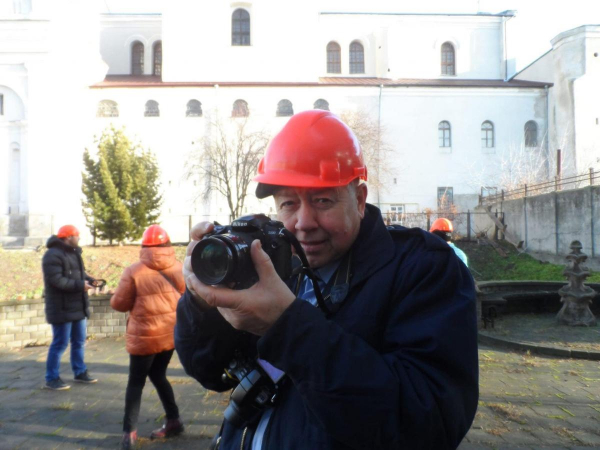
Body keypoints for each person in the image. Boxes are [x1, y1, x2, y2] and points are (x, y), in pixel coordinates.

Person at [175, 110, 479, 449]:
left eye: (322, 200)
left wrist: (286, 326)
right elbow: (209, 371)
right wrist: (202, 304)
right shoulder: (273, 265)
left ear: (360, 199)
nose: (303, 222)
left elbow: (428, 422)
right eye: (288, 203)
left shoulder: (422, 268)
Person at [110, 225, 186, 450]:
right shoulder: (179, 268)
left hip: (144, 337)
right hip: (170, 334)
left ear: (144, 245)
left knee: (135, 383)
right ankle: (174, 420)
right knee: (158, 374)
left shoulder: (134, 271)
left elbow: (119, 304)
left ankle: (129, 433)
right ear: (167, 244)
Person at [42, 224, 98, 390]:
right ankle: (51, 378)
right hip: (61, 308)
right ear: (68, 237)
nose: (79, 238)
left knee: (79, 342)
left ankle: (79, 372)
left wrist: (90, 280)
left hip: (77, 307)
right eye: (77, 235)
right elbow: (57, 281)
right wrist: (81, 285)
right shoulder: (52, 255)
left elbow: (78, 274)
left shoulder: (74, 253)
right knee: (60, 344)